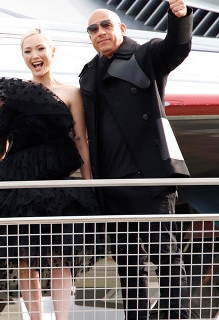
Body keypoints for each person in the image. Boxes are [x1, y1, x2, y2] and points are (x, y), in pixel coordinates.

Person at [0, 29, 101, 320]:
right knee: (25, 257)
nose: (35, 56)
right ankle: (35, 317)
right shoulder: (14, 94)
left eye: (40, 49)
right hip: (18, 178)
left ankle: (62, 317)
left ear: (53, 51)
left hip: (55, 181)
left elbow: (80, 140)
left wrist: (90, 183)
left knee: (61, 256)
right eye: (27, 51)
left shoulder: (72, 93)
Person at [78, 0, 192, 319]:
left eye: (106, 26)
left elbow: (176, 47)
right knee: (128, 268)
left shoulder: (144, 55)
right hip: (112, 189)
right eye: (93, 29)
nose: (100, 32)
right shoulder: (88, 74)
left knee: (167, 260)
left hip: (149, 182)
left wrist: (178, 17)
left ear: (122, 29)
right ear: (89, 37)